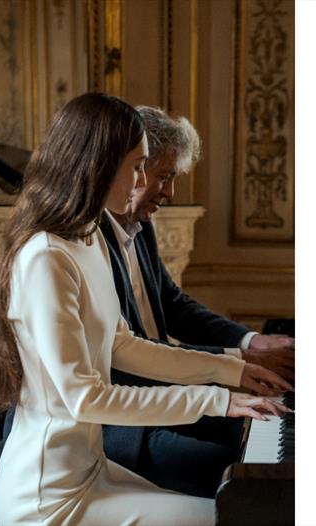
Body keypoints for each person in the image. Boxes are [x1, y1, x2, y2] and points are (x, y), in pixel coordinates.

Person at [0, 92, 292, 526]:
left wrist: (233, 371)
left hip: (90, 470)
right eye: (137, 166)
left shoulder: (88, 238)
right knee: (236, 519)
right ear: (101, 164)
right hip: (46, 496)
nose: (140, 181)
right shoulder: (45, 257)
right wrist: (217, 400)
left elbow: (124, 345)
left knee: (244, 511)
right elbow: (84, 398)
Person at [98, 105, 296, 497]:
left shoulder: (140, 226)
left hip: (169, 395)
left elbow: (173, 304)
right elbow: (129, 356)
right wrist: (237, 361)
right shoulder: (90, 244)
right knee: (241, 476)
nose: (170, 193)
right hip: (121, 425)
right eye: (164, 176)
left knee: (266, 436)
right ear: (133, 169)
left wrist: (250, 342)